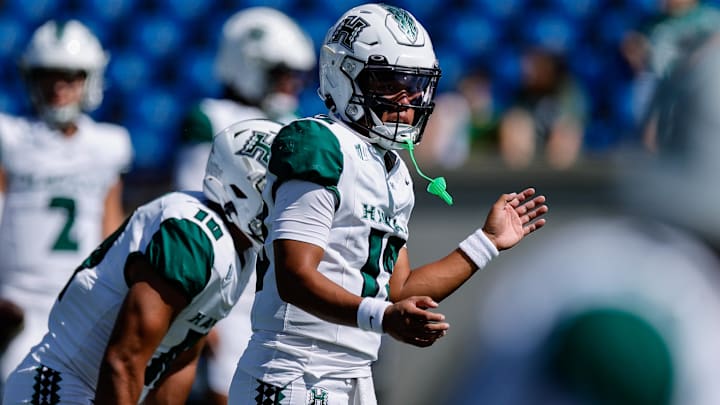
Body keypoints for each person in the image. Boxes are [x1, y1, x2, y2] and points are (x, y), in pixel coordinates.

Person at [228, 4, 548, 404]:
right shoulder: (318, 142)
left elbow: (399, 288)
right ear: (344, 74)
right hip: (295, 370)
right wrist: (381, 318)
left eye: (416, 84)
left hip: (353, 373)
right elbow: (295, 276)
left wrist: (486, 241)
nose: (409, 97)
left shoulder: (393, 168)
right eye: (389, 81)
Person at [2, 118, 282, 404]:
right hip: (62, 385)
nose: (286, 205)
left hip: (103, 388)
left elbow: (181, 357)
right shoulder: (192, 237)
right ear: (241, 186)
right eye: (277, 192)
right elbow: (123, 359)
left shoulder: (241, 249)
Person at [171, 8, 315, 405]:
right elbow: (195, 208)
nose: (289, 83)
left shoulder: (302, 125)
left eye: (292, 74)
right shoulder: (211, 117)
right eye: (279, 72)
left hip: (275, 287)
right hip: (228, 285)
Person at [0, 19, 133, 384]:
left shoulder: (107, 145)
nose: (58, 87)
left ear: (89, 79)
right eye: (48, 76)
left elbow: (111, 226)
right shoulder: (10, 137)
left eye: (69, 76)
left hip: (81, 298)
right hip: (18, 302)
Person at [173, 7, 315, 191]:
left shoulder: (291, 119)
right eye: (283, 75)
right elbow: (193, 190)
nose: (293, 85)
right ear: (251, 67)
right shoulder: (210, 119)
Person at [496, 46, 588, 170]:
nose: (528, 71)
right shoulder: (521, 93)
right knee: (516, 123)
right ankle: (519, 177)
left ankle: (559, 180)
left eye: (535, 65)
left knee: (567, 130)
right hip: (528, 153)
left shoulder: (568, 92)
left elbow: (574, 122)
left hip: (559, 155)